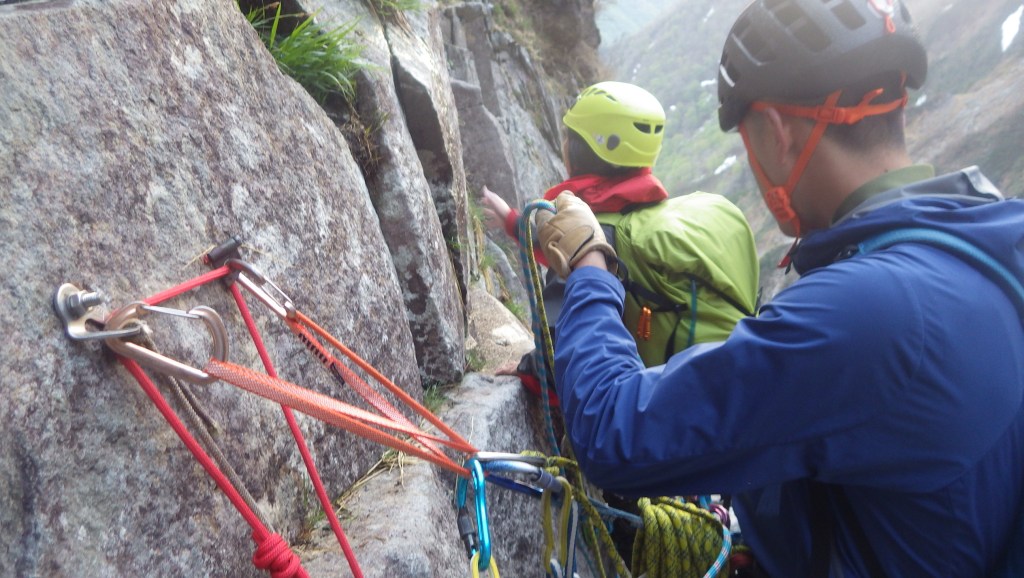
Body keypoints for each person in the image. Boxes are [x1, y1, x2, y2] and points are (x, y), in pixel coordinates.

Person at [535, 1, 1024, 576]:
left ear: (774, 132)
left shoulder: (867, 312)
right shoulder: (990, 239)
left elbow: (612, 431)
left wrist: (589, 264)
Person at [482, 81, 759, 389]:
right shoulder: (673, 218)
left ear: (578, 149)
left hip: (651, 405)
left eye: (569, 136)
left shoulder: (590, 238)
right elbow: (587, 246)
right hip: (740, 385)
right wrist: (514, 223)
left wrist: (527, 369)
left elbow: (563, 355)